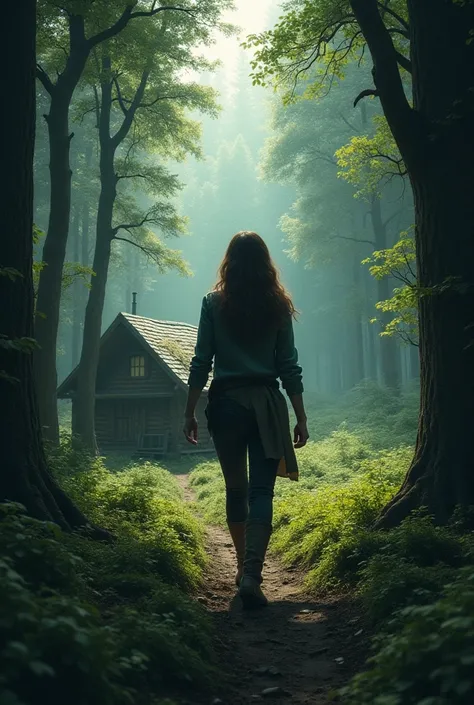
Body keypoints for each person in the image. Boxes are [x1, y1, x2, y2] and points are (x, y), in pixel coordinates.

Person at [183, 231, 309, 609]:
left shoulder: (212, 303)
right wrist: (301, 417)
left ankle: (240, 569)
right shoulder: (278, 305)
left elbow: (201, 361)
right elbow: (289, 366)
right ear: (266, 263)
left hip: (226, 405)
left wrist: (189, 411)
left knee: (236, 490)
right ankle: (253, 574)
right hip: (267, 405)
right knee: (261, 493)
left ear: (230, 262)